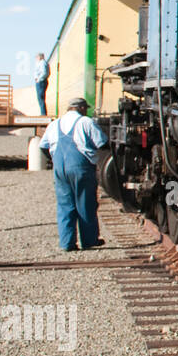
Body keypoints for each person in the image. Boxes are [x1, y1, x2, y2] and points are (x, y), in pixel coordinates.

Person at [39, 97, 107, 251]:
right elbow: (102, 143)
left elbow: (43, 146)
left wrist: (53, 161)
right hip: (80, 168)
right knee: (85, 204)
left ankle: (67, 243)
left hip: (59, 169)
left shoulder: (54, 124)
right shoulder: (85, 122)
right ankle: (89, 240)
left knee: (65, 206)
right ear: (82, 108)